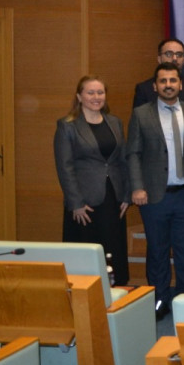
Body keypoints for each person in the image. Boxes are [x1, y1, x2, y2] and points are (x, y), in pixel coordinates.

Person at [127, 62, 184, 317]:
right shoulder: (141, 114)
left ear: (180, 84)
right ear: (155, 86)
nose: (168, 85)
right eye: (163, 81)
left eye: (172, 80)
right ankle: (159, 300)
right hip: (154, 196)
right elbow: (133, 153)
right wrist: (137, 187)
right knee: (157, 251)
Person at [54, 76, 130, 286]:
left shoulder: (114, 122)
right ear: (79, 96)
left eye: (100, 93)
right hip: (84, 203)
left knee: (114, 249)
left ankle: (116, 292)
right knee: (86, 253)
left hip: (114, 198)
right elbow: (65, 167)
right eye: (90, 93)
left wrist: (126, 194)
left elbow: (123, 160)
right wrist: (75, 203)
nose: (96, 97)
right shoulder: (67, 126)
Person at [133, 38, 184, 107]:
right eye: (169, 54)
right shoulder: (144, 89)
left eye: (179, 55)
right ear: (159, 59)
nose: (174, 58)